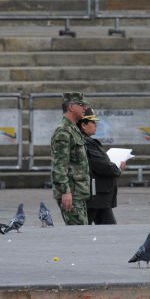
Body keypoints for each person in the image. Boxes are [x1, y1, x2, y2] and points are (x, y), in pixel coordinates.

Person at [78, 108, 126, 224]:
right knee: (84, 229)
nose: (96, 125)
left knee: (107, 228)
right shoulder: (86, 143)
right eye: (93, 122)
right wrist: (117, 169)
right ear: (84, 125)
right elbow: (102, 165)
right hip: (96, 195)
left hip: (99, 195)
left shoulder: (88, 141)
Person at [50, 93, 91, 225]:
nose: (85, 107)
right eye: (81, 104)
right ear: (71, 107)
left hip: (79, 192)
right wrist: (65, 192)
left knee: (82, 232)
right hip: (72, 193)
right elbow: (59, 166)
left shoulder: (73, 129)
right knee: (79, 235)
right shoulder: (63, 131)